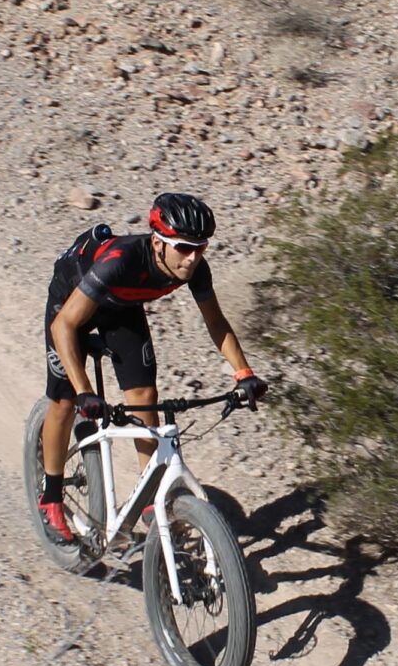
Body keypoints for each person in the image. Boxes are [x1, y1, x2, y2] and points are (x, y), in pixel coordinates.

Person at [39, 192, 266, 546]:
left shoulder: (194, 267)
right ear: (158, 242)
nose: (192, 259)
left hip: (120, 306)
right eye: (183, 248)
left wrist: (244, 373)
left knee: (145, 396)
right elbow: (63, 326)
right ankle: (51, 497)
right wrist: (84, 390)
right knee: (64, 401)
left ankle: (148, 499)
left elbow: (216, 322)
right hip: (71, 298)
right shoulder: (120, 261)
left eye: (201, 248)